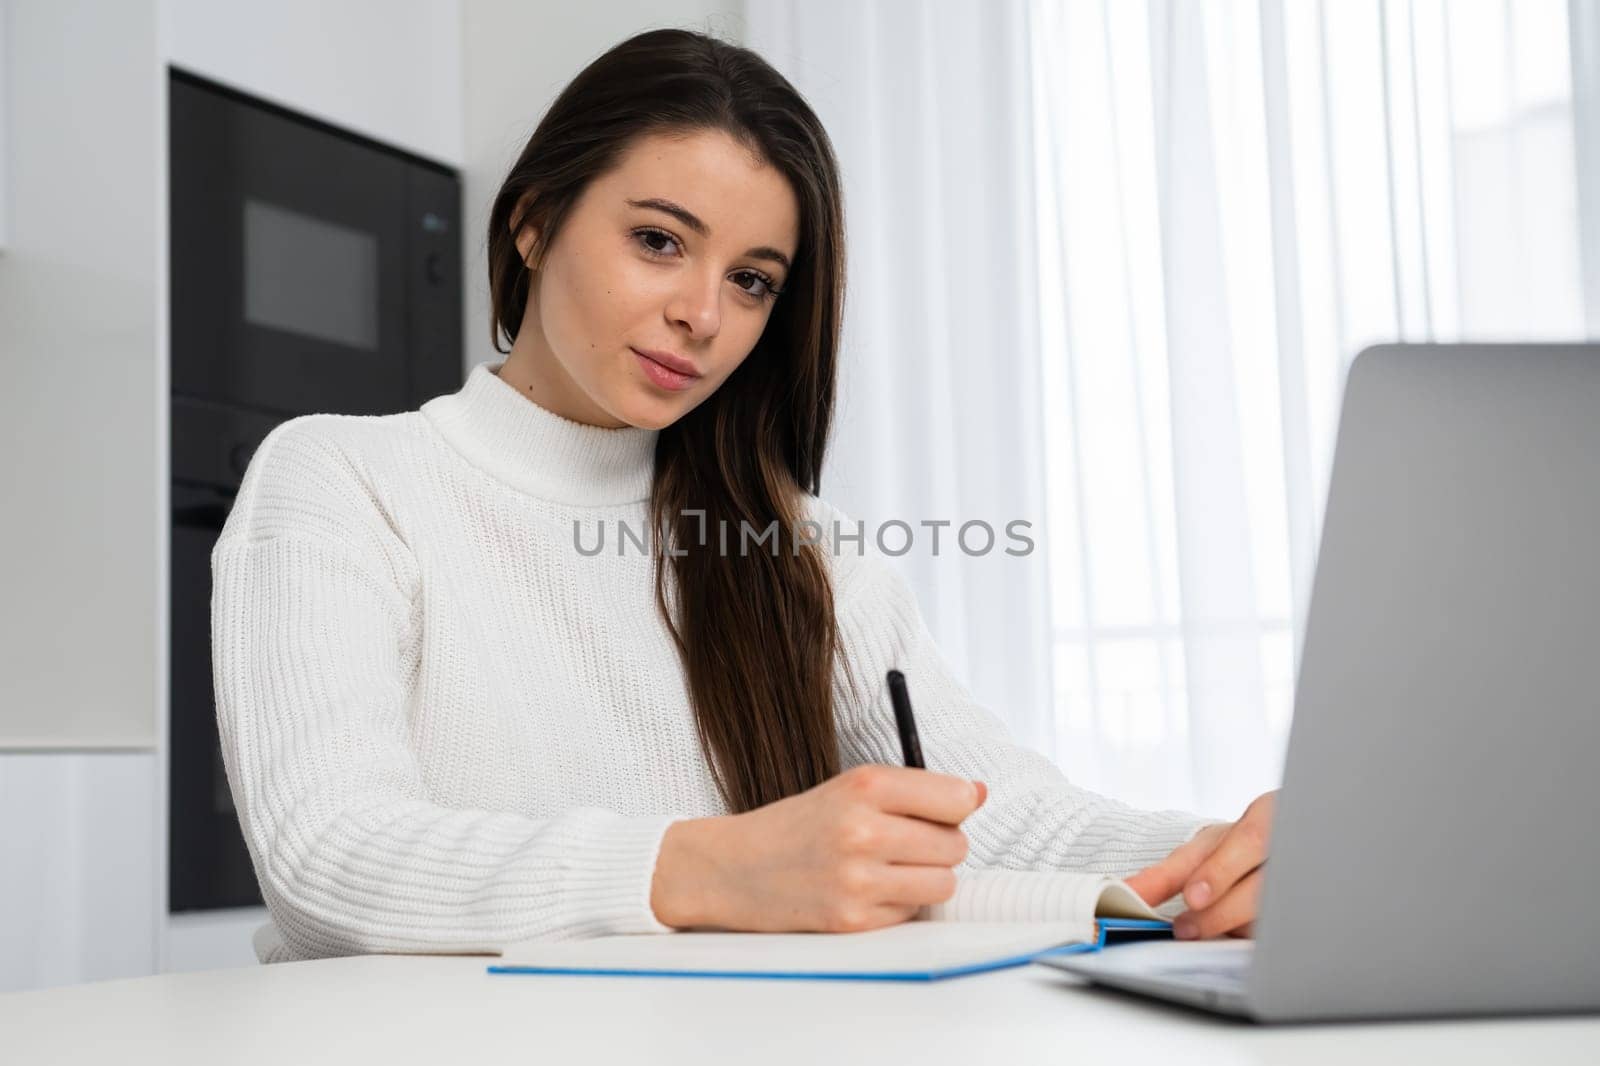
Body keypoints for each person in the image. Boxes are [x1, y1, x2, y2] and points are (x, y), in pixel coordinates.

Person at [212, 27, 1276, 965]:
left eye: (752, 279)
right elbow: (329, 857)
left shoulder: (800, 546)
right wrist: (710, 868)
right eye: (659, 241)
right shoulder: (344, 479)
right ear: (533, 224)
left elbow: (986, 812)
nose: (702, 316)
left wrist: (1224, 856)